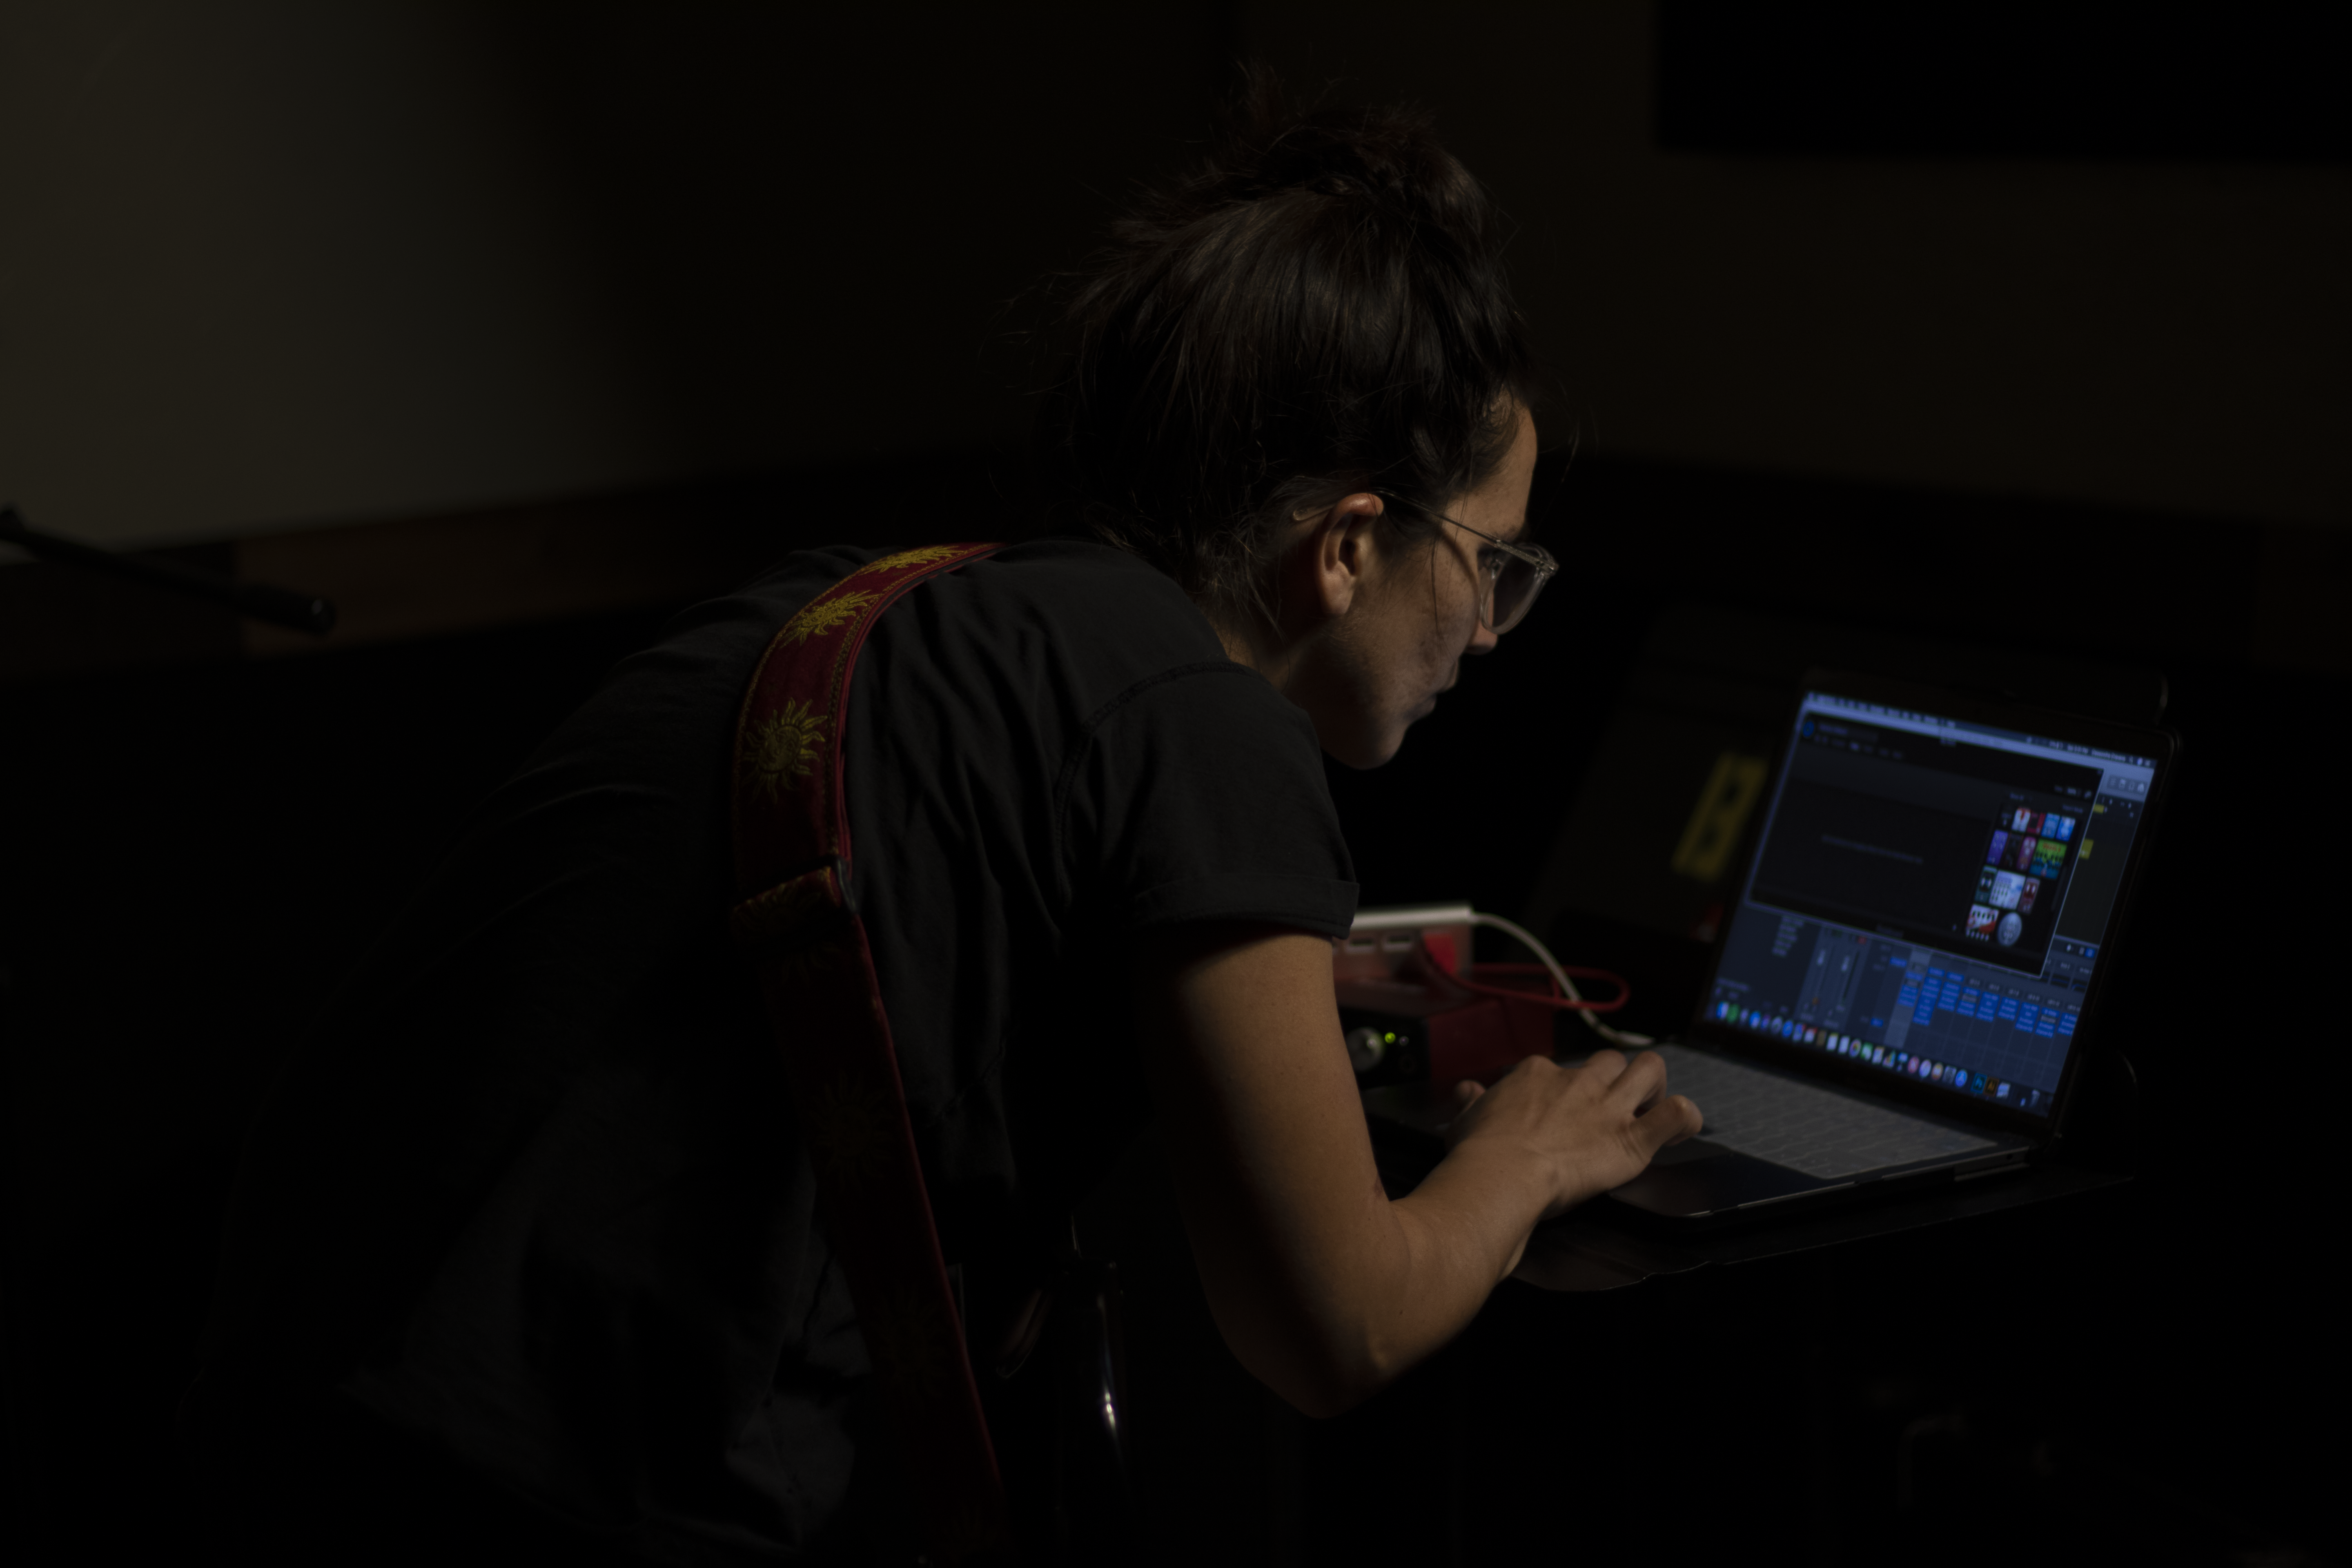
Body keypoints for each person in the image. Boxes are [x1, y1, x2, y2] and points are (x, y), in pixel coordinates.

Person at [178, 75, 1700, 1565]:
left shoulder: (900, 603)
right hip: (533, 1481)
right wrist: (1524, 1155)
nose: (1493, 632)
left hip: (292, 1386)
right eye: (1491, 563)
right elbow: (1336, 1326)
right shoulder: (1204, 720)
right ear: (1350, 547)